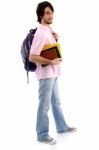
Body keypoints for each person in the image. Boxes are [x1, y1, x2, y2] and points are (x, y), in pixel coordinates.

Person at [29, 1, 77, 145]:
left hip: (53, 74)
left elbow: (48, 48)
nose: (51, 15)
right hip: (46, 75)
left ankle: (61, 127)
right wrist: (51, 62)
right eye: (48, 13)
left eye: (52, 12)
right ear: (41, 15)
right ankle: (42, 134)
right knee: (44, 106)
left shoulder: (48, 30)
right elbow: (32, 56)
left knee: (56, 102)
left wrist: (55, 39)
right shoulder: (41, 33)